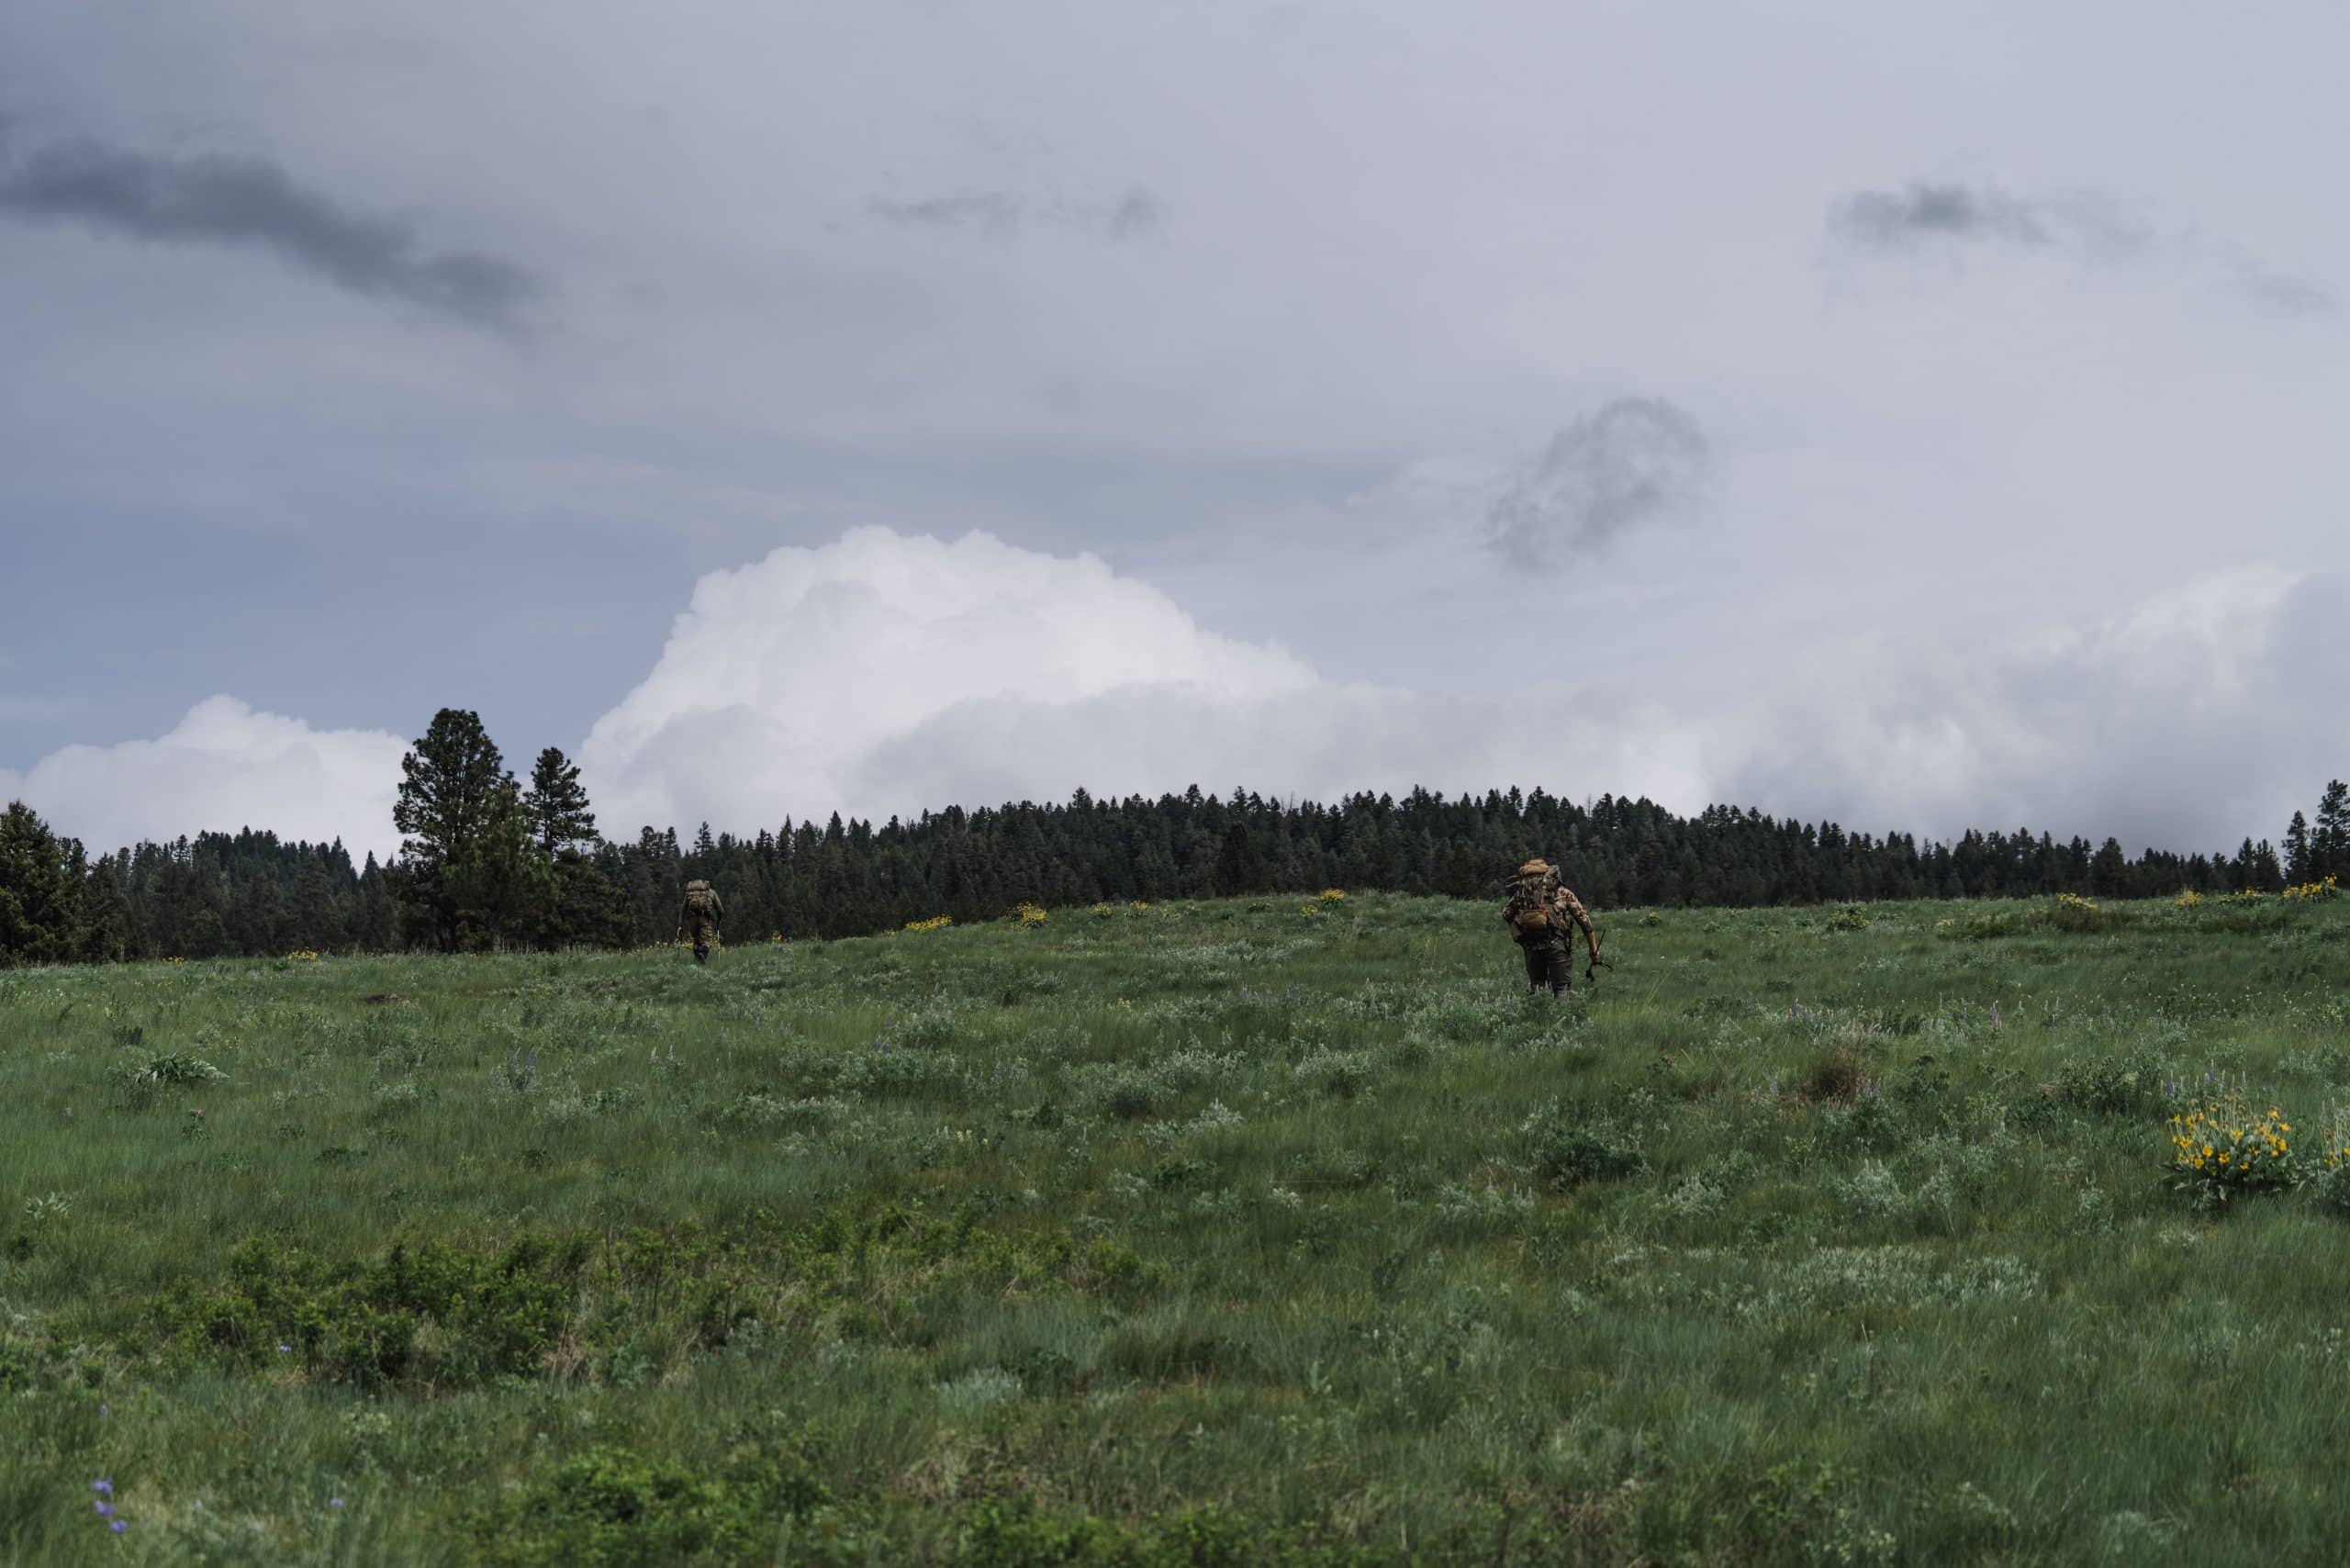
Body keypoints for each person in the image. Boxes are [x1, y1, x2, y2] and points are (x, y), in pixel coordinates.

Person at [1502, 858, 1598, 996]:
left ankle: (1537, 1016)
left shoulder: (1522, 893)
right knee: (1561, 989)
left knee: (1537, 989)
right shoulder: (1560, 891)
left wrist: (1518, 933)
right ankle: (1561, 1015)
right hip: (1556, 944)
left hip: (1531, 947)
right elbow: (1584, 921)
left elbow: (1506, 914)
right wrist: (1593, 951)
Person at [677, 879, 723, 963]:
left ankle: (697, 962)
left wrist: (680, 925)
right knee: (707, 941)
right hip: (705, 918)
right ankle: (702, 955)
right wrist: (718, 920)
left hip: (692, 919)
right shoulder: (711, 893)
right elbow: (720, 910)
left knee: (696, 940)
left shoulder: (690, 894)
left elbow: (683, 910)